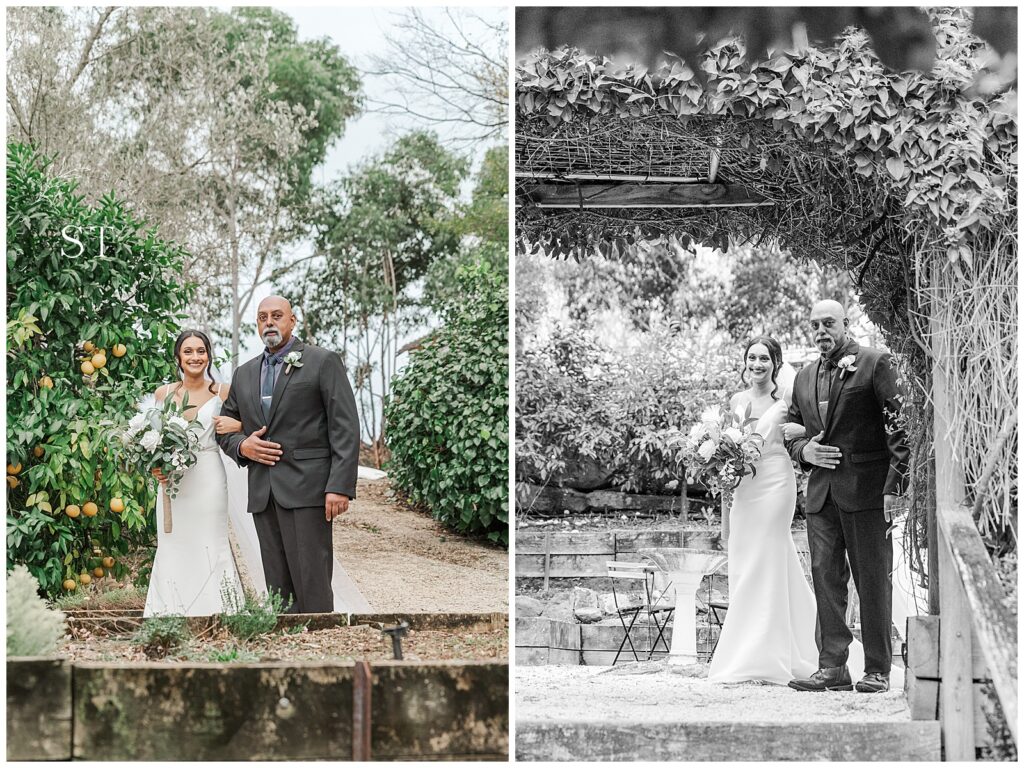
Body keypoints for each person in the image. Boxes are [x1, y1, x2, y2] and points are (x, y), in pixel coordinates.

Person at [784, 300, 909, 693]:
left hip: (869, 491)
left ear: (846, 323)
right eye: (815, 325)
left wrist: (896, 486)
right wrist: (804, 450)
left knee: (872, 579)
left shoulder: (874, 362)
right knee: (825, 579)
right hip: (821, 494)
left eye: (829, 323)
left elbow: (900, 428)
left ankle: (877, 670)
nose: (821, 330)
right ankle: (833, 667)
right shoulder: (803, 376)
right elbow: (793, 428)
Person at [216, 296, 360, 614]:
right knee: (277, 584)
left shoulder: (322, 362)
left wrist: (339, 486)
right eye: (263, 317)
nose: (269, 322)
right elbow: (224, 429)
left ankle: (320, 640)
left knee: (312, 576)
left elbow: (345, 427)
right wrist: (243, 446)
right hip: (264, 491)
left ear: (292, 321)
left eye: (277, 316)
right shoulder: (244, 374)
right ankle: (286, 642)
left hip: (309, 488)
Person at [707, 336, 820, 685]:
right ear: (745, 362)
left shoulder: (786, 398)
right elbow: (727, 453)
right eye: (752, 358)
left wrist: (803, 432)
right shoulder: (736, 401)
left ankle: (769, 657)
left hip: (775, 483)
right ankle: (755, 650)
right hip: (744, 487)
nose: (757, 364)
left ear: (776, 362)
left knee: (767, 558)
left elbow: (810, 429)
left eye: (765, 359)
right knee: (746, 561)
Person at [144, 330, 245, 617]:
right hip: (173, 484)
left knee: (210, 542)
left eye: (201, 351)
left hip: (208, 477)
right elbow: (152, 441)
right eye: (188, 351)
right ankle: (170, 614)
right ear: (178, 357)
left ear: (209, 356)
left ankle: (222, 613)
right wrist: (155, 467)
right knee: (173, 544)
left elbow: (246, 424)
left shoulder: (222, 392)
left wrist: (237, 426)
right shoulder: (163, 394)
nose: (195, 357)